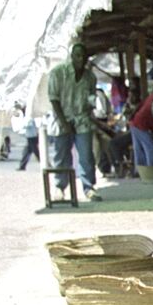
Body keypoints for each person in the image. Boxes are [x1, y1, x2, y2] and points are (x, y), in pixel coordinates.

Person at [47, 41, 100, 201]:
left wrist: (90, 114)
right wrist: (64, 123)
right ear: (71, 56)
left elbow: (91, 100)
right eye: (77, 55)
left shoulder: (90, 77)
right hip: (61, 118)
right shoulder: (58, 72)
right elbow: (54, 100)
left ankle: (88, 187)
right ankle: (60, 188)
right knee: (61, 155)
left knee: (86, 155)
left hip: (82, 119)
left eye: (84, 56)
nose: (81, 59)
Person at [128, 84, 153, 175]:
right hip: (141, 123)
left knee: (138, 148)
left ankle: (139, 171)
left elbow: (140, 106)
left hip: (134, 121)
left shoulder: (152, 97)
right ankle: (152, 170)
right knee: (151, 147)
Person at [14, 105, 40, 171]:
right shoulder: (26, 116)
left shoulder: (29, 116)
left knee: (36, 152)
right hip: (29, 136)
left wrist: (21, 126)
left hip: (32, 136)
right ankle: (22, 166)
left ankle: (45, 164)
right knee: (26, 152)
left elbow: (28, 124)